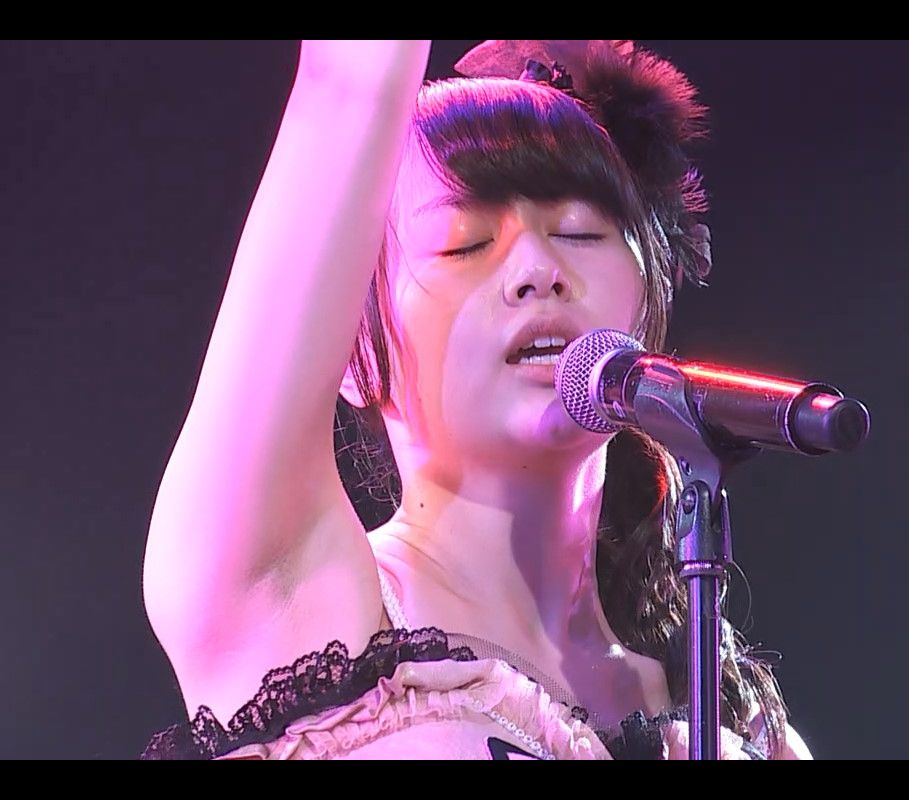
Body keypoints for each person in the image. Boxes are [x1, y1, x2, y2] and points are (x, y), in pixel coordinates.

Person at [140, 39, 812, 760]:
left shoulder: (733, 718)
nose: (538, 268)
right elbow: (347, 84)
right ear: (352, 355)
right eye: (464, 244)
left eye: (580, 232)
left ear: (647, 306)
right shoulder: (285, 597)